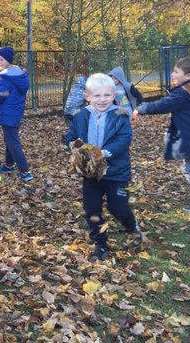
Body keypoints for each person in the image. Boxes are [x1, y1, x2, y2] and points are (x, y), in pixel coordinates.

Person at [66, 73, 142, 262]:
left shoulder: (120, 115)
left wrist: (105, 153)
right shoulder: (81, 116)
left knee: (118, 208)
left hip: (116, 172)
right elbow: (71, 136)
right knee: (91, 209)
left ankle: (131, 225)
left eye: (107, 95)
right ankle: (100, 244)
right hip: (91, 174)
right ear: (87, 97)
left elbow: (124, 139)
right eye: (97, 95)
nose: (102, 100)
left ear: (114, 95)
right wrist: (75, 147)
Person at [134, 57, 190, 211]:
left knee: (188, 170)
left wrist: (141, 109)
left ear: (188, 76)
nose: (172, 74)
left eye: (176, 71)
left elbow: (161, 105)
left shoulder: (181, 95)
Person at [0, 47, 32, 181]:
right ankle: (9, 165)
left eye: (1, 59)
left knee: (13, 142)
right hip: (16, 113)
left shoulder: (5, 78)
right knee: (9, 139)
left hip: (8, 114)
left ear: (8, 60)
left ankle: (25, 172)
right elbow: (6, 94)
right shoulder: (19, 74)